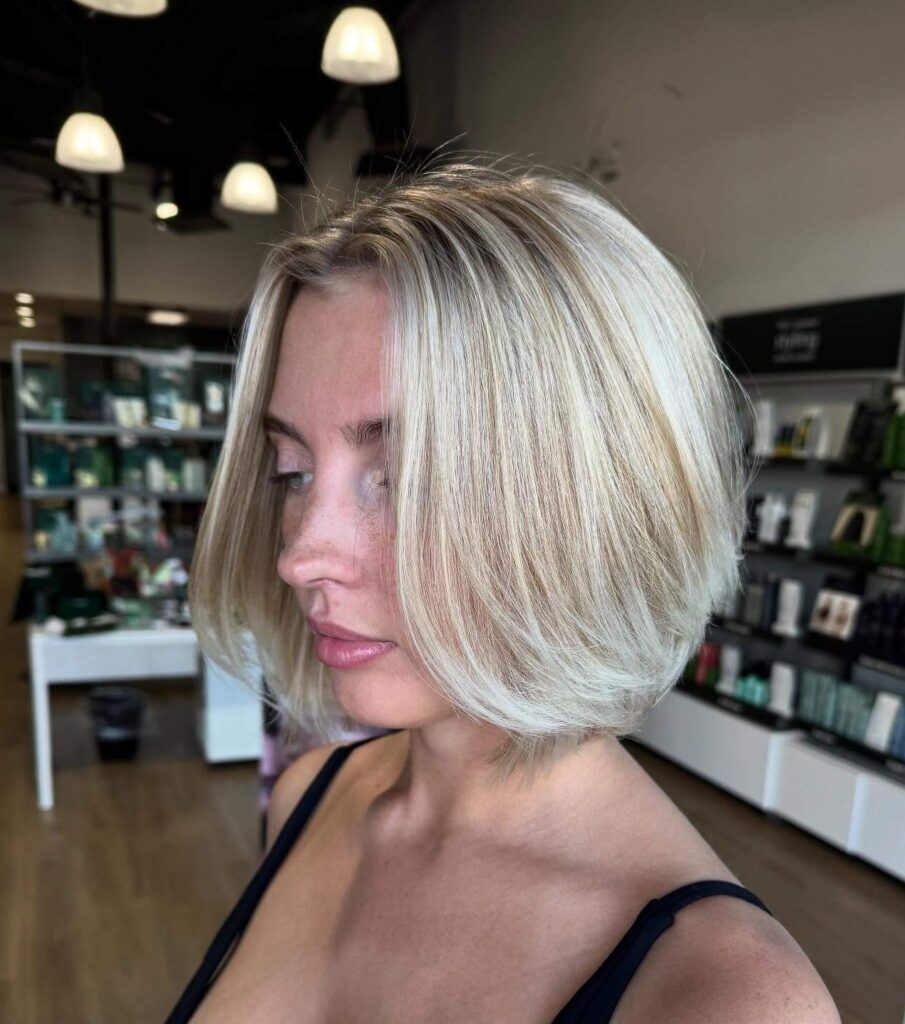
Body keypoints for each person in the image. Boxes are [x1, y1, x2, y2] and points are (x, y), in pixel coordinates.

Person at [169, 157, 841, 1023]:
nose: (301, 554)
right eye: (292, 469)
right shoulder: (312, 797)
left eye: (404, 476)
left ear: (591, 502)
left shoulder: (728, 1000)